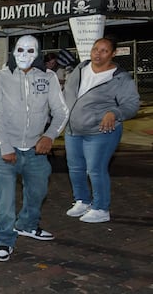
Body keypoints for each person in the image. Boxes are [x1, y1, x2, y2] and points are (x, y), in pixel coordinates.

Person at [0, 35, 69, 262]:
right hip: (4, 150)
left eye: (30, 50)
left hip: (35, 149)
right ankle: (4, 239)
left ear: (38, 53)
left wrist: (50, 136)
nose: (24, 54)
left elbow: (61, 111)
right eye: (20, 49)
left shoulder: (49, 77)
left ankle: (27, 224)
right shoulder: (1, 77)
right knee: (5, 200)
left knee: (38, 191)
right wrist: (5, 145)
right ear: (14, 51)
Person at [62, 37, 140, 224]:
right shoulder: (81, 69)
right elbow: (67, 93)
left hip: (100, 132)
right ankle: (82, 200)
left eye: (104, 50)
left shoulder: (120, 77)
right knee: (75, 168)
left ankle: (101, 208)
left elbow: (132, 104)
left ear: (113, 54)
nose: (98, 53)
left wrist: (114, 112)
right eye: (96, 49)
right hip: (73, 130)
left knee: (95, 170)